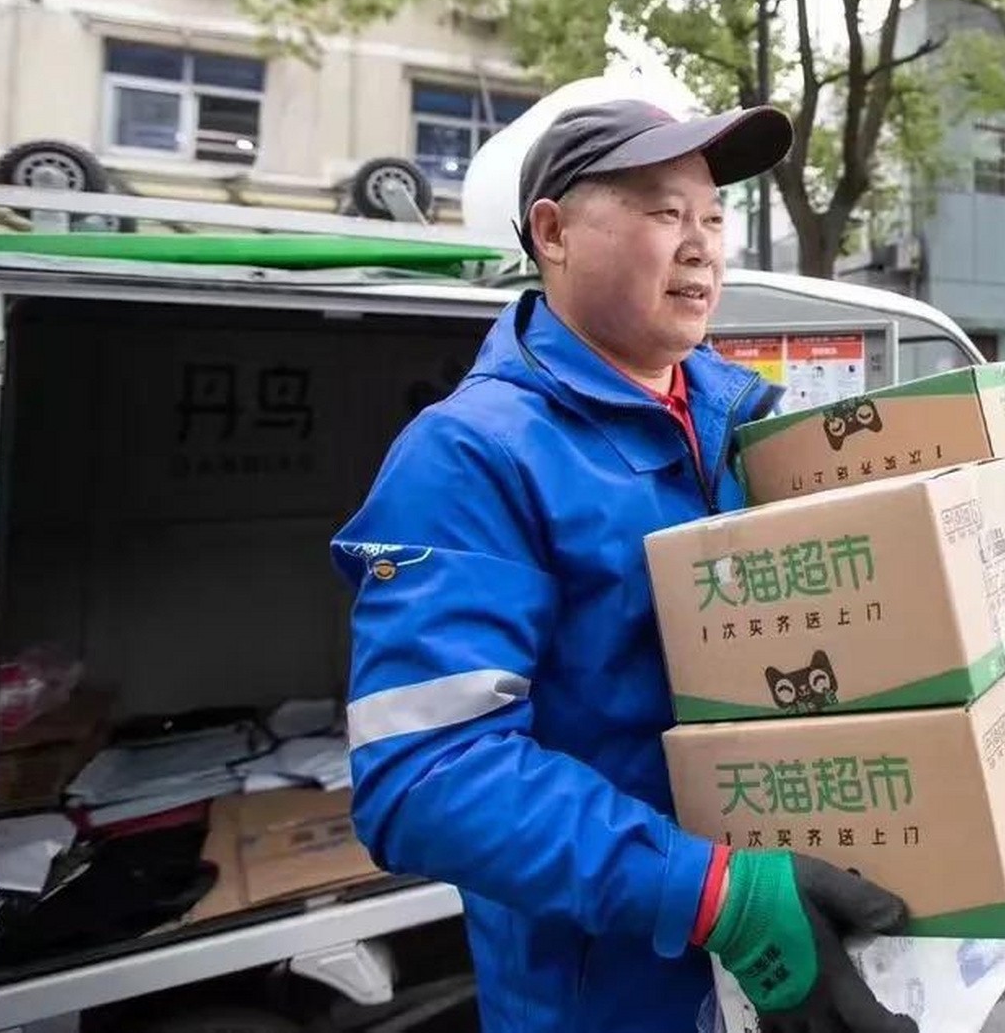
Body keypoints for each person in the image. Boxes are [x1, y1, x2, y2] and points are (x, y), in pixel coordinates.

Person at [332, 96, 918, 1033]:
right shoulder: (470, 456)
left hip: (783, 961)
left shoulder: (747, 427)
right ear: (553, 232)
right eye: (661, 211)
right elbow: (426, 777)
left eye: (713, 217)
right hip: (613, 996)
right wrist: (711, 893)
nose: (701, 244)